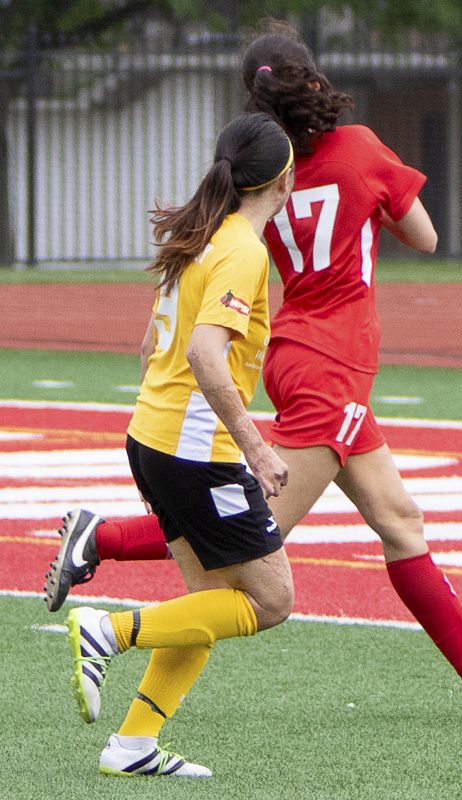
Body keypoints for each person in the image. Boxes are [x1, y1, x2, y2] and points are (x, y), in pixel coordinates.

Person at [44, 20, 462, 713]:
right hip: (333, 361)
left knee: (399, 518)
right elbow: (426, 236)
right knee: (257, 543)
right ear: (312, 79)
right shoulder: (360, 148)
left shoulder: (258, 177)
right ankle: (100, 541)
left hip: (300, 349)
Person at [67, 113, 296, 778]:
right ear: (283, 179)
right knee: (269, 601)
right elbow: (204, 353)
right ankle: (106, 632)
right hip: (195, 449)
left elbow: (149, 350)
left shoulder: (202, 236)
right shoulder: (243, 250)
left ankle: (132, 744)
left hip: (155, 436)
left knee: (207, 604)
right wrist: (254, 447)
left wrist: (159, 446)